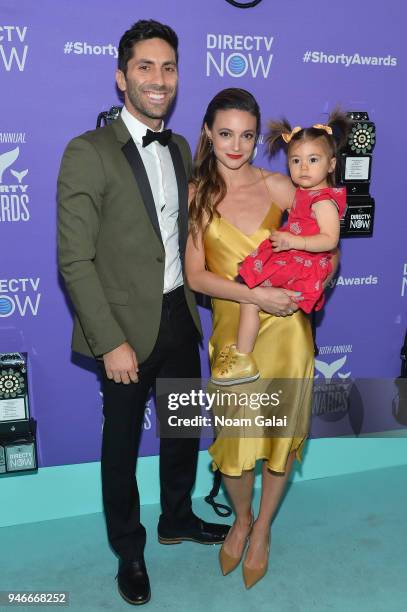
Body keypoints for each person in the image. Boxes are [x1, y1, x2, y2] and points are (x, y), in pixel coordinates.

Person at [57, 20, 229, 606]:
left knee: (182, 432)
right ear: (121, 77)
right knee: (122, 447)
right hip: (123, 330)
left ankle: (176, 517)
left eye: (168, 67)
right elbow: (74, 259)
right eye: (146, 68)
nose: (159, 80)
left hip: (179, 317)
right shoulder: (88, 151)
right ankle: (129, 551)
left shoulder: (181, 148)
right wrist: (109, 341)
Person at [186, 88, 339, 588]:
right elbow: (195, 276)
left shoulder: (280, 185)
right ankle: (242, 518)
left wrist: (313, 277)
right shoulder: (196, 193)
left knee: (277, 441)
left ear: (257, 138)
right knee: (233, 442)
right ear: (208, 133)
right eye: (225, 133)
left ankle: (264, 527)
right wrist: (255, 295)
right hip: (236, 332)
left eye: (247, 135)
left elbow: (327, 244)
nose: (235, 145)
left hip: (288, 332)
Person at [211, 111, 349, 385]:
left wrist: (293, 243)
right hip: (293, 261)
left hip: (303, 267)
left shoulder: (323, 200)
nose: (304, 168)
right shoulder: (300, 194)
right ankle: (244, 355)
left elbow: (330, 241)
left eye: (313, 160)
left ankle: (242, 356)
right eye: (296, 161)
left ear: (331, 164)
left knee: (249, 292)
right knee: (250, 293)